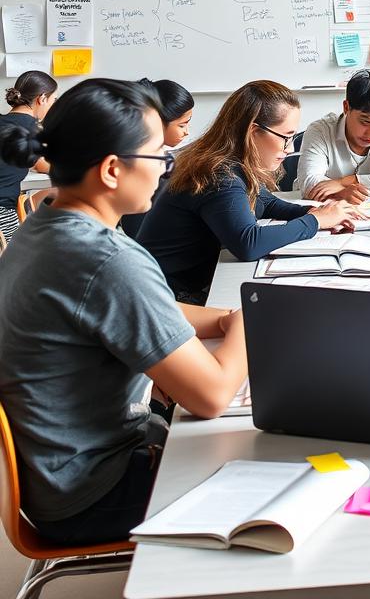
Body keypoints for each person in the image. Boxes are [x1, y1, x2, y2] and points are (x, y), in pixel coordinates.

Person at [0, 78, 248, 545]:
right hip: (96, 491)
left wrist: (223, 321)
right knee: (275, 453)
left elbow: (133, 306)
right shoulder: (107, 259)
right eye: (159, 156)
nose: (164, 171)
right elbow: (211, 395)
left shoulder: (44, 225)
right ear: (113, 169)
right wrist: (252, 322)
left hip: (57, 478)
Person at [137, 80, 359, 304]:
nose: (290, 148)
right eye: (286, 137)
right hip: (164, 297)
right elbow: (248, 244)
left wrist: (315, 212)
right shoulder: (220, 174)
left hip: (189, 284)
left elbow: (267, 203)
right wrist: (315, 221)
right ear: (253, 131)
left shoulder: (234, 162)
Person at [297, 69, 370, 203]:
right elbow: (309, 183)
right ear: (346, 107)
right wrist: (341, 193)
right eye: (365, 122)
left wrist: (343, 182)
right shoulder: (320, 131)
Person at [120, 78, 194, 240]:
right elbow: (136, 228)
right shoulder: (146, 166)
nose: (187, 132)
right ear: (157, 122)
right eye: (182, 125)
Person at [0, 70, 56, 239]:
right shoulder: (31, 128)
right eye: (53, 101)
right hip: (2, 215)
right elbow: (41, 165)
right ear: (42, 98)